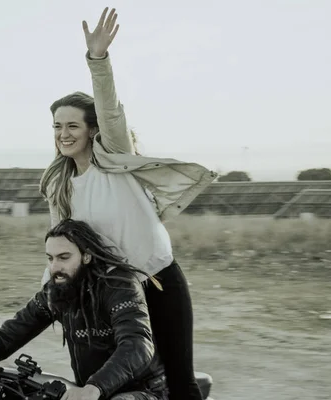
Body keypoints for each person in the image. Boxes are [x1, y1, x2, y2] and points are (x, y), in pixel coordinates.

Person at [39, 7, 217, 400]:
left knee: (179, 384)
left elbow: (109, 106)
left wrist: (98, 60)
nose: (63, 134)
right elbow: (59, 247)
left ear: (92, 129)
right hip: (108, 297)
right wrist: (52, 290)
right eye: (57, 126)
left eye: (72, 125)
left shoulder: (114, 158)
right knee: (105, 388)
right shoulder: (60, 186)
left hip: (157, 280)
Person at [0, 219, 169, 400]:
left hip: (143, 391)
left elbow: (137, 345)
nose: (55, 266)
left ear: (87, 256)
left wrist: (94, 388)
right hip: (87, 392)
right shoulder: (57, 291)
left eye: (64, 257)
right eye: (50, 258)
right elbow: (8, 334)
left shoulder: (119, 285)